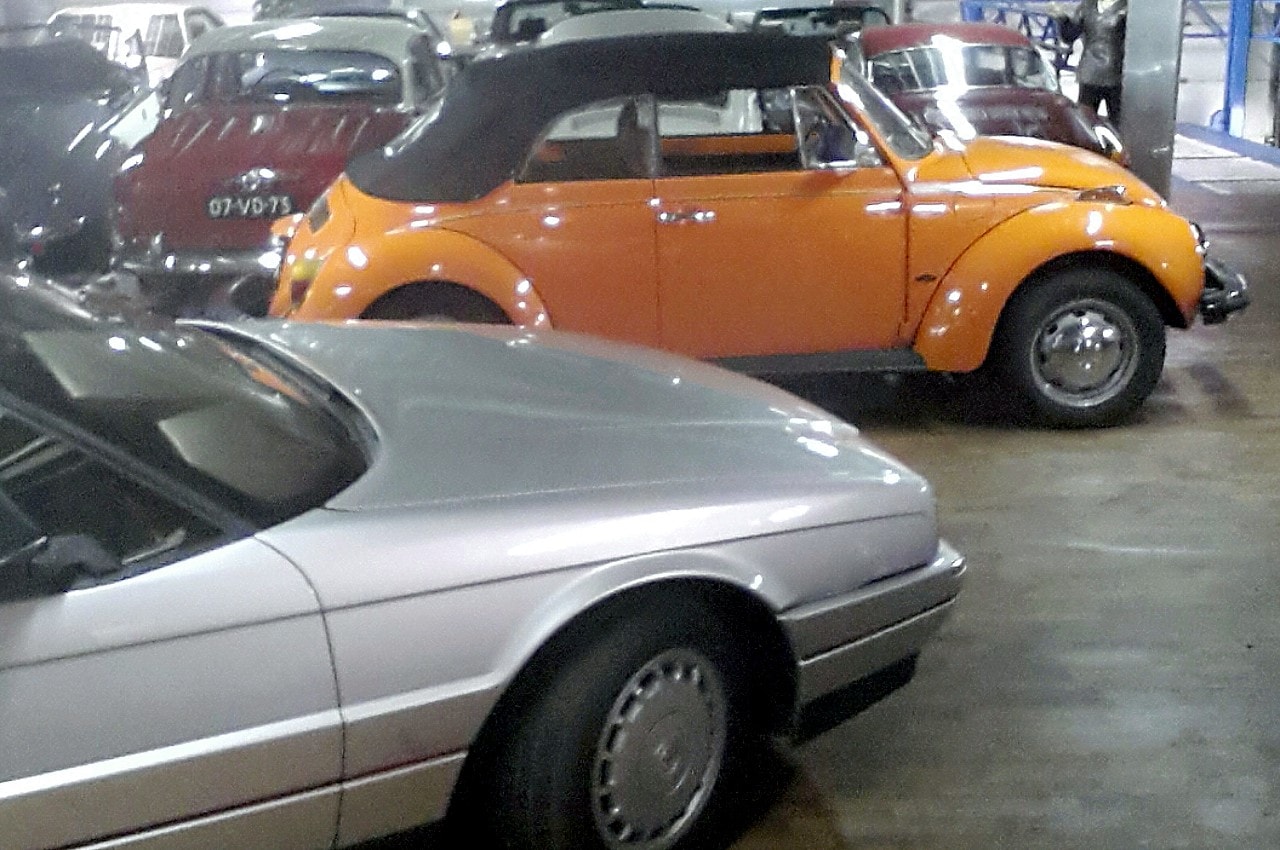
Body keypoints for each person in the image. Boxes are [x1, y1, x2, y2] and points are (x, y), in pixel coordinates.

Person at [1058, 0, 1128, 124]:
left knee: (1118, 123)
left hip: (1117, 75)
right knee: (1085, 123)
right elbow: (1070, 36)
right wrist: (1062, 19)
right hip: (1090, 72)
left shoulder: (1126, 8)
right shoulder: (1087, 5)